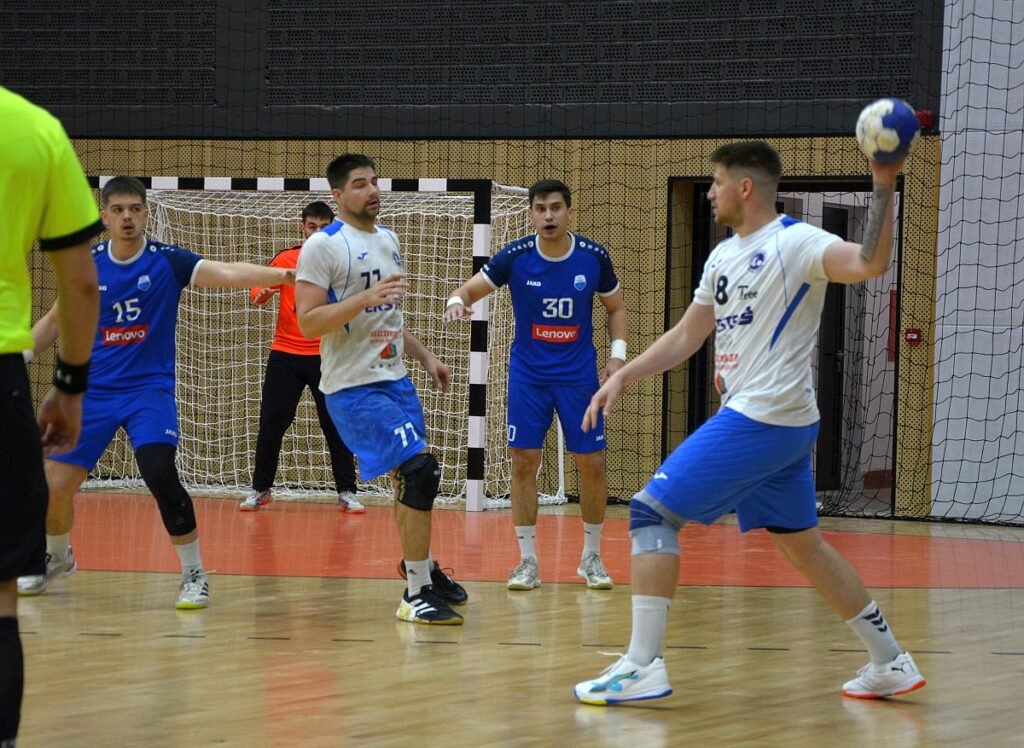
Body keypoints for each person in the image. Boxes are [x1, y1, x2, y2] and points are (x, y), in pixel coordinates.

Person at [573, 142, 927, 704]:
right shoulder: (722, 256)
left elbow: (869, 263)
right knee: (804, 545)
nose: (709, 193)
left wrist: (884, 182)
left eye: (716, 182)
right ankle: (890, 661)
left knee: (650, 512)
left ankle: (643, 664)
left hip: (765, 414)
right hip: (780, 422)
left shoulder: (796, 242)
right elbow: (687, 336)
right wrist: (623, 375)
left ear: (744, 187)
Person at [16, 176, 295, 611]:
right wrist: (14, 359)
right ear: (105, 216)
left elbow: (227, 272)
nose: (127, 217)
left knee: (159, 472)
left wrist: (282, 275)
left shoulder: (168, 261)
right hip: (93, 394)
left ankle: (194, 574)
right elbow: (53, 322)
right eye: (118, 210)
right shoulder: (87, 265)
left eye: (134, 209)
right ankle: (57, 557)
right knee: (53, 484)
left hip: (148, 392)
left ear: (146, 213)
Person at [295, 153, 468, 624]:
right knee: (419, 470)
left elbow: (387, 317)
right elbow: (308, 322)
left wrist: (426, 357)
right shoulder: (324, 246)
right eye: (359, 184)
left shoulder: (388, 239)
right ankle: (415, 594)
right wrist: (363, 299)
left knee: (409, 477)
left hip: (396, 380)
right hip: (354, 388)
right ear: (337, 195)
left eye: (374, 181)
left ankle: (421, 569)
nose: (372, 190)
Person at [444, 179, 628, 591]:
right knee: (524, 461)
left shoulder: (593, 257)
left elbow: (615, 308)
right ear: (530, 214)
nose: (549, 216)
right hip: (529, 376)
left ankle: (591, 557)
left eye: (556, 208)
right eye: (541, 209)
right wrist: (457, 302)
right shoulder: (515, 257)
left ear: (569, 212)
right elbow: (468, 290)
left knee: (592, 462)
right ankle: (527, 562)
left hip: (579, 378)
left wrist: (617, 358)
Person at [0, 85, 102, 748]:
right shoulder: (33, 129)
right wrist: (68, 386)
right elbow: (80, 283)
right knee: (1, 596)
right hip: (1, 376)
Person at [240, 200, 364, 513]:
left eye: (324, 227)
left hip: (328, 355)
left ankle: (347, 491)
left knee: (335, 424)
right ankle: (260, 489)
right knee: (272, 421)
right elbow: (258, 290)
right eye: (312, 226)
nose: (318, 232)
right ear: (303, 227)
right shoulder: (286, 258)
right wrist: (264, 292)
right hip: (285, 354)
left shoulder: (346, 262)